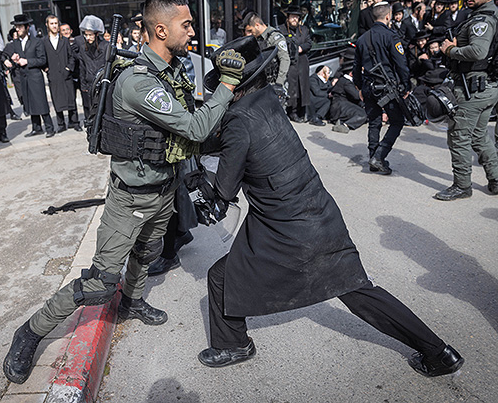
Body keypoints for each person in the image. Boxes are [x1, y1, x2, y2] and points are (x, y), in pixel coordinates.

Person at [2, 0, 242, 385]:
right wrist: (228, 85)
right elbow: (197, 127)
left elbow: (186, 128)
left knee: (145, 255)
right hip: (130, 198)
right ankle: (30, 332)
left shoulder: (171, 70)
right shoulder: (139, 82)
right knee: (98, 283)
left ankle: (131, 302)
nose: (192, 30)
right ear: (161, 30)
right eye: (186, 24)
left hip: (163, 191)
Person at [196, 37, 464, 380]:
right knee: (358, 290)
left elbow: (225, 188)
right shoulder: (268, 101)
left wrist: (198, 177)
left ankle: (233, 344)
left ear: (232, 85)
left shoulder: (238, 121)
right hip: (317, 212)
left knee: (220, 276)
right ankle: (440, 352)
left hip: (288, 229)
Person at [435, 0, 498, 200]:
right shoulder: (485, 15)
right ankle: (495, 178)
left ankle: (462, 185)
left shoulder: (483, 20)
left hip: (474, 88)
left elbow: (478, 51)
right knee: (480, 136)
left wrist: (450, 50)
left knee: (459, 136)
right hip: (487, 87)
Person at [353, 2, 410, 175]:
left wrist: (359, 87)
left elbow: (356, 67)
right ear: (388, 16)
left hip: (369, 86)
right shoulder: (391, 36)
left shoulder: (362, 39)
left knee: (374, 122)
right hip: (387, 88)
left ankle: (373, 159)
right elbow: (401, 64)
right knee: (397, 122)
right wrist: (406, 85)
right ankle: (379, 156)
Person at [3, 14, 55, 138]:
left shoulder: (37, 41)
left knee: (41, 102)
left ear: (27, 27)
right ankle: (36, 127)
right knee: (29, 103)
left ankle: (49, 127)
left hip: (35, 76)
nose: (17, 29)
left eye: (20, 26)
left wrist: (27, 61)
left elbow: (42, 60)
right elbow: (9, 56)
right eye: (16, 27)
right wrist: (13, 59)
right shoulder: (15, 43)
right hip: (23, 77)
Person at [42, 15, 81, 132]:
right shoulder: (44, 41)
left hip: (66, 75)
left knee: (71, 99)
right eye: (52, 23)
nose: (54, 26)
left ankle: (75, 122)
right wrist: (45, 68)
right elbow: (42, 57)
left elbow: (71, 57)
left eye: (56, 23)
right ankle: (61, 124)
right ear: (47, 25)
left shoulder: (64, 40)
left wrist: (69, 68)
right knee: (57, 99)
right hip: (53, 75)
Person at [242, 12, 290, 100]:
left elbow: (285, 60)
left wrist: (279, 84)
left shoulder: (275, 37)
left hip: (275, 83)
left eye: (251, 31)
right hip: (262, 85)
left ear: (257, 25)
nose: (250, 34)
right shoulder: (258, 38)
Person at [74, 15, 109, 125]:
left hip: (103, 84)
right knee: (89, 112)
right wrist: (83, 85)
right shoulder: (84, 48)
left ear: (97, 34)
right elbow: (82, 67)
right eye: (85, 34)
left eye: (90, 35)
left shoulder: (106, 46)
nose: (87, 37)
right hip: (89, 85)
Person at [280, 6, 312, 122]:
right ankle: (291, 111)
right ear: (288, 17)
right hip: (289, 63)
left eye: (297, 17)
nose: (294, 19)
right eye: (292, 16)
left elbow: (309, 43)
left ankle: (301, 111)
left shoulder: (304, 30)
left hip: (302, 62)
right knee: (292, 88)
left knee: (302, 87)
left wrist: (300, 48)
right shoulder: (281, 29)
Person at [329, 54, 367, 133]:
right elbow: (356, 96)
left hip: (342, 105)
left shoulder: (347, 81)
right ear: (351, 73)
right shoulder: (346, 82)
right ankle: (344, 125)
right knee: (362, 114)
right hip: (340, 106)